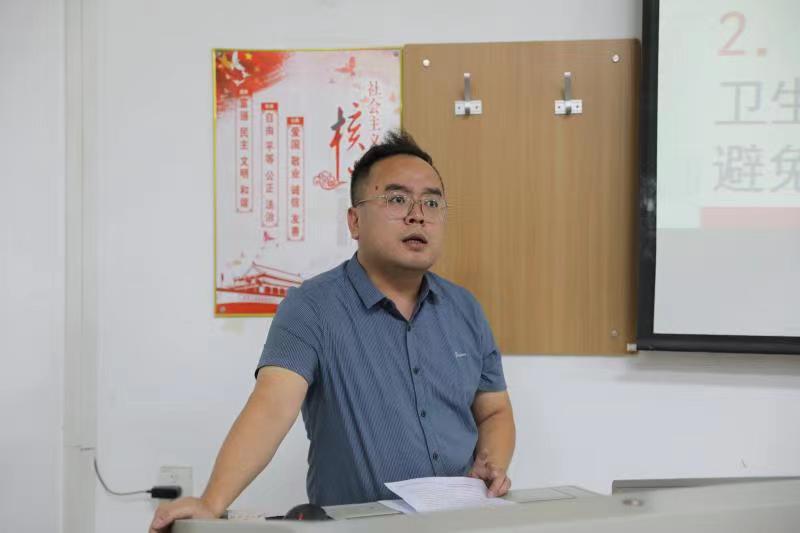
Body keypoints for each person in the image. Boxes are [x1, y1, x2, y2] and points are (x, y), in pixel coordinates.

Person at [149, 130, 515, 532]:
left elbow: (494, 411)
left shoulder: (465, 309)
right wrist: (211, 501)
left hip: (462, 523)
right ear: (354, 221)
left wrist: (491, 465)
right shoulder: (312, 308)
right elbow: (272, 406)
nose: (418, 215)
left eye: (431, 202)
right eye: (397, 199)